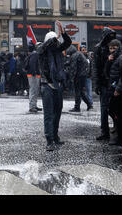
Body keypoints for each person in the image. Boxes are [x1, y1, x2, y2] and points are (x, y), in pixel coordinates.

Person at [37, 21, 72, 151]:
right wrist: (54, 38)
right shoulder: (41, 50)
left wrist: (63, 33)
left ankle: (55, 136)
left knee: (57, 113)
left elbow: (67, 43)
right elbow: (42, 48)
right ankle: (49, 140)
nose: (56, 44)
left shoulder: (57, 50)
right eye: (53, 41)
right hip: (47, 85)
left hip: (58, 85)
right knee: (49, 114)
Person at [93, 27, 117, 141]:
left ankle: (112, 129)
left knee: (112, 107)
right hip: (105, 82)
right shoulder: (99, 48)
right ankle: (105, 131)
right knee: (104, 108)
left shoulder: (111, 47)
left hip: (112, 81)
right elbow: (96, 67)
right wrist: (97, 83)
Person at [67, 45, 93, 112]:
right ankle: (89, 104)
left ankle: (77, 107)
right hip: (82, 75)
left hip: (79, 76)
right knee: (81, 92)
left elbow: (73, 68)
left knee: (78, 92)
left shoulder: (74, 55)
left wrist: (71, 78)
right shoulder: (78, 54)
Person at [24, 43, 42, 113]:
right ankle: (32, 106)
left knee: (35, 90)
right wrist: (34, 73)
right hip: (33, 75)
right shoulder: (35, 54)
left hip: (32, 74)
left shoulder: (33, 54)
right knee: (33, 90)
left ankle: (34, 105)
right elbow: (32, 64)